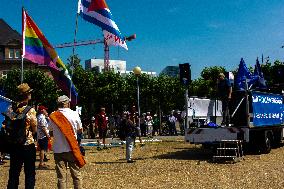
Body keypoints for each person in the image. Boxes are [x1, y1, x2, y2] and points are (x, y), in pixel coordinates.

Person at [48, 95, 85, 189]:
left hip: (58, 149)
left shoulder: (53, 116)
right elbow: (80, 130)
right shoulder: (74, 114)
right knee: (76, 174)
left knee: (61, 177)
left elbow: (50, 131)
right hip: (72, 148)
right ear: (67, 103)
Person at [7, 83, 37, 189]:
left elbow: (7, 123)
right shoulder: (30, 110)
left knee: (14, 173)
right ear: (27, 94)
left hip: (14, 144)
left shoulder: (11, 108)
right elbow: (34, 127)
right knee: (29, 173)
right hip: (28, 144)